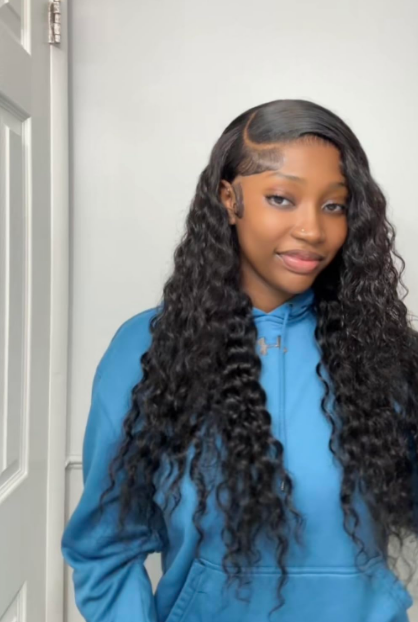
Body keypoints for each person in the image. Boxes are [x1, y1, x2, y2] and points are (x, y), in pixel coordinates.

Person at [61, 98, 418, 622]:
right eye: (281, 198)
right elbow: (105, 548)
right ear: (230, 200)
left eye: (334, 205)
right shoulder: (148, 349)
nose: (313, 230)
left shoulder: (386, 351)